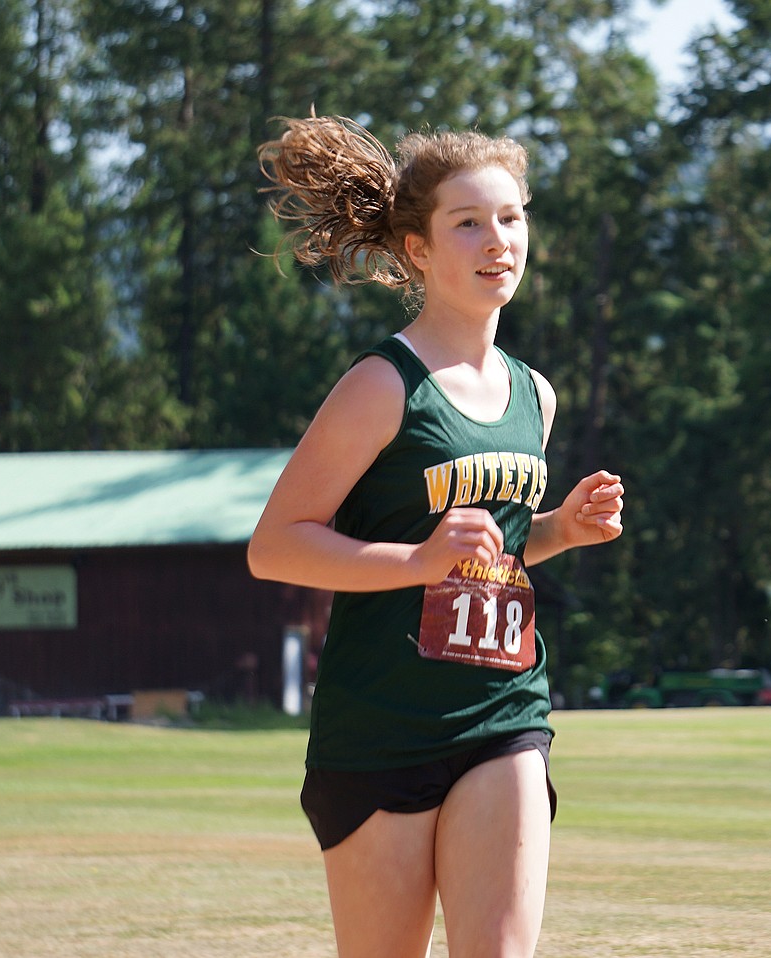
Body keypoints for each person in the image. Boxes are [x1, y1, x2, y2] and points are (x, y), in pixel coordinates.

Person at [248, 113, 624, 958]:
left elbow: (494, 556)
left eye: (512, 217)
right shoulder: (383, 386)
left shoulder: (537, 394)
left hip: (503, 712)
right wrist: (416, 560)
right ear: (417, 250)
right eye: (468, 223)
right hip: (379, 726)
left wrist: (559, 528)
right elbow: (275, 546)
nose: (499, 241)